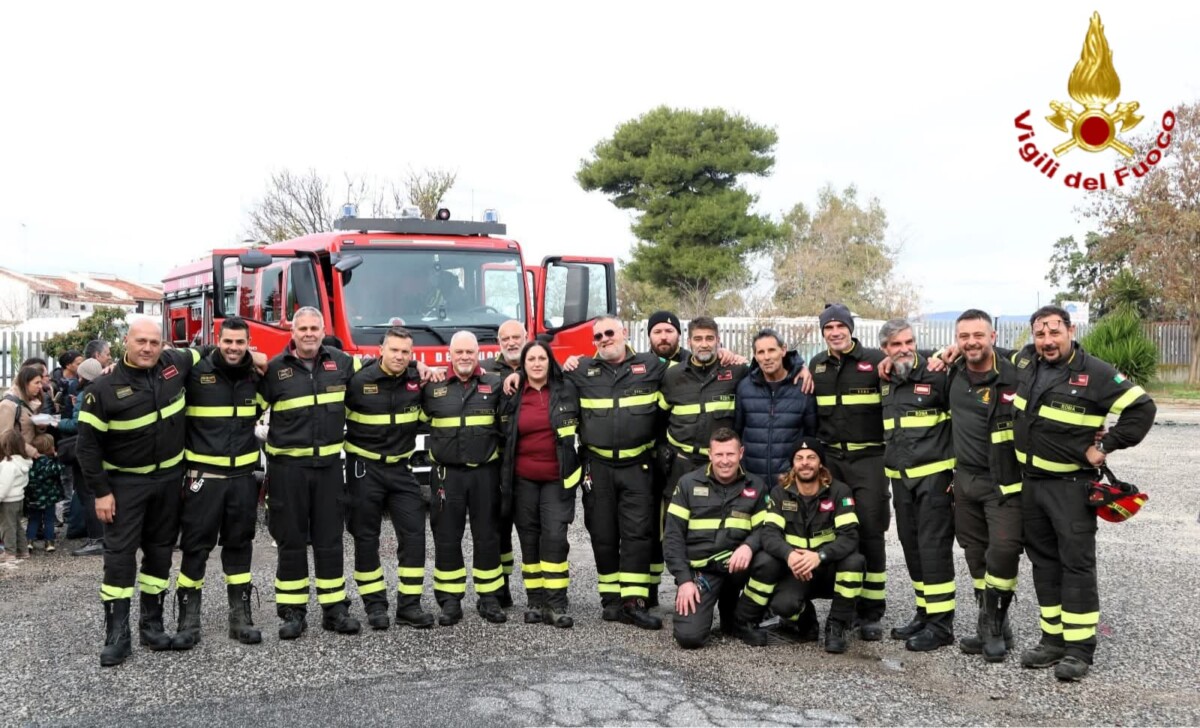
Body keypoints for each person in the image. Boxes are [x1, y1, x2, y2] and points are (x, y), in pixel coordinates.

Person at [1013, 305, 1156, 682]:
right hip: (1032, 484)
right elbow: (990, 357)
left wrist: (1106, 444)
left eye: (1054, 332)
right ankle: (1052, 640)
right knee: (1044, 563)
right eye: (1040, 334)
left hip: (1071, 488)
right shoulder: (1027, 362)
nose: (1047, 341)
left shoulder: (1096, 372)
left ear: (1070, 330)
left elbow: (1142, 408)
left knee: (1076, 565)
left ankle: (1079, 650)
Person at [76, 318, 201, 666]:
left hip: (168, 483)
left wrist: (256, 357)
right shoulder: (101, 390)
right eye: (140, 341)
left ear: (163, 345)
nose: (147, 348)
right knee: (119, 558)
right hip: (124, 486)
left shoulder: (175, 364)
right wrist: (101, 492)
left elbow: (208, 353)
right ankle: (117, 634)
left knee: (160, 553)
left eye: (154, 342)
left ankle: (152, 625)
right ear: (125, 343)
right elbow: (87, 449)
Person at [259, 306, 361, 639]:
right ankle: (292, 612)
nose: (308, 334)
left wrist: (418, 366)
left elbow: (380, 367)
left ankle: (334, 609)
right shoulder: (274, 370)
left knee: (330, 539)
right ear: (292, 331)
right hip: (288, 470)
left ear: (322, 329)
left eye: (314, 328)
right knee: (290, 540)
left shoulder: (341, 362)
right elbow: (248, 406)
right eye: (302, 328)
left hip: (329, 468)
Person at [566, 316, 666, 629]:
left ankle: (633, 602)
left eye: (610, 332)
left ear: (624, 333)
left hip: (638, 465)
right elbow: (538, 369)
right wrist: (563, 359)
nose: (605, 338)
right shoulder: (580, 370)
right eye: (598, 336)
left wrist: (732, 358)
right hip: (598, 467)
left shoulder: (653, 366)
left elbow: (692, 367)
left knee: (637, 534)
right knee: (602, 532)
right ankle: (610, 600)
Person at [172, 317, 266, 648]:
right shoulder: (197, 370)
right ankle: (188, 621)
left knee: (240, 547)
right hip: (203, 480)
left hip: (242, 480)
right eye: (228, 341)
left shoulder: (255, 377)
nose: (233, 348)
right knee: (195, 549)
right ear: (218, 340)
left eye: (240, 343)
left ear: (248, 344)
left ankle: (240, 620)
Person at [808, 303, 891, 640]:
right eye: (829, 328)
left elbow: (910, 358)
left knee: (871, 531)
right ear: (823, 332)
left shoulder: (874, 361)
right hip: (834, 462)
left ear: (851, 329)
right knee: (841, 530)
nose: (835, 332)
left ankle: (871, 610)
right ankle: (847, 602)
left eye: (840, 326)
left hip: (869, 460)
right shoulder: (817, 365)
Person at [345, 327, 434, 630]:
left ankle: (409, 606)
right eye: (393, 349)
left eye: (405, 352)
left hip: (401, 468)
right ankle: (375, 607)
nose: (399, 356)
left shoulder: (415, 380)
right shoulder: (358, 381)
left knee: (414, 535)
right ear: (380, 349)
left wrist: (423, 369)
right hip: (364, 469)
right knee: (366, 537)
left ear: (412, 355)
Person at [946, 310, 1023, 661]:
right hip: (965, 481)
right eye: (964, 336)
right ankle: (993, 623)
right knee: (975, 555)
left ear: (993, 337)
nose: (971, 342)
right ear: (957, 341)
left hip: (1005, 482)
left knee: (1004, 552)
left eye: (978, 335)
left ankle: (992, 625)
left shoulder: (1017, 374)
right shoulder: (951, 373)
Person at [878, 318, 957, 652]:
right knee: (911, 546)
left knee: (934, 547)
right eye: (896, 345)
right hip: (900, 479)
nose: (904, 349)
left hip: (935, 476)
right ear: (885, 349)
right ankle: (924, 613)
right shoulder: (884, 378)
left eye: (908, 342)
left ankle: (941, 626)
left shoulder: (939, 372)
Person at [743, 439, 864, 653]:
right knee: (782, 605)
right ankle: (807, 622)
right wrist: (790, 556)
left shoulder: (839, 492)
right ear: (793, 464)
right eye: (799, 458)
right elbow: (769, 534)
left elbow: (849, 537)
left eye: (811, 458)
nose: (805, 463)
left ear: (820, 464)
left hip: (828, 569)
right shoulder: (781, 493)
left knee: (855, 561)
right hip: (797, 570)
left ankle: (836, 625)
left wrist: (820, 556)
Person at [422, 330, 507, 625]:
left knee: (487, 535)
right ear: (450, 355)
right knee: (446, 537)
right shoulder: (432, 387)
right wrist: (419, 368)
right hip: (447, 476)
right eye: (459, 352)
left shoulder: (494, 384)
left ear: (478, 354)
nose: (465, 357)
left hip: (485, 474)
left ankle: (490, 598)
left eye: (470, 352)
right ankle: (449, 599)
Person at [498, 340, 581, 628]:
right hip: (522, 482)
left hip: (557, 480)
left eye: (541, 358)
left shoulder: (567, 389)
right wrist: (515, 377)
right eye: (530, 359)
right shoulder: (511, 392)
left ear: (549, 361)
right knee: (529, 540)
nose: (536, 363)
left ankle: (557, 603)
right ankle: (535, 600)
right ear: (523, 364)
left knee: (555, 539)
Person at [663, 428, 769, 648]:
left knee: (768, 561)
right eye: (719, 455)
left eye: (730, 454)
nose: (725, 461)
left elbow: (767, 529)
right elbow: (672, 538)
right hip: (703, 571)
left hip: (737, 568)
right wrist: (684, 580)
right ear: (710, 454)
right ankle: (714, 610)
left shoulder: (756, 486)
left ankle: (741, 619)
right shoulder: (687, 484)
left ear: (741, 453)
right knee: (689, 637)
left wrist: (749, 546)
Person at [735, 329, 818, 483]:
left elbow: (811, 435)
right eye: (761, 352)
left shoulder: (803, 388)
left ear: (783, 350)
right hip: (752, 478)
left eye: (772, 350)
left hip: (790, 479)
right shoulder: (744, 387)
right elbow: (737, 432)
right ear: (755, 356)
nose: (767, 357)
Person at [487, 318, 528, 607]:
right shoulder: (487, 371)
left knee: (530, 528)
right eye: (506, 339)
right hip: (495, 462)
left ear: (527, 337)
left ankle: (538, 591)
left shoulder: (540, 365)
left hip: (528, 463)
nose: (512, 343)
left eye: (517, 337)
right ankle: (501, 587)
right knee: (497, 529)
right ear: (499, 343)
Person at [64, 358, 107, 557]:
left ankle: (96, 538)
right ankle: (102, 536)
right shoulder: (104, 390)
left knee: (87, 494)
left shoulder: (85, 394)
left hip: (86, 450)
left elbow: (77, 424)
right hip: (102, 450)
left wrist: (56, 423)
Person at [24, 434, 63, 553]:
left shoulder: (30, 463)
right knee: (49, 520)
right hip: (48, 498)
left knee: (33, 520)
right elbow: (58, 469)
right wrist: (57, 458)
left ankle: (29, 542)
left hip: (33, 498)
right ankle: (49, 543)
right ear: (50, 448)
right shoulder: (48, 463)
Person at [0, 430, 32, 565]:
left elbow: (3, 484)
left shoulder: (7, 464)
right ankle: (23, 550)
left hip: (7, 500)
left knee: (8, 527)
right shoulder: (24, 462)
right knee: (17, 525)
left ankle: (9, 553)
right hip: (19, 498)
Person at [1, 365, 44, 459]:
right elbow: (4, 437)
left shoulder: (30, 402)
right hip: (15, 459)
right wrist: (31, 451)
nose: (40, 386)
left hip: (26, 457)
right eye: (36, 383)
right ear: (25, 384)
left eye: (41, 382)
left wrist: (40, 426)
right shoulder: (8, 405)